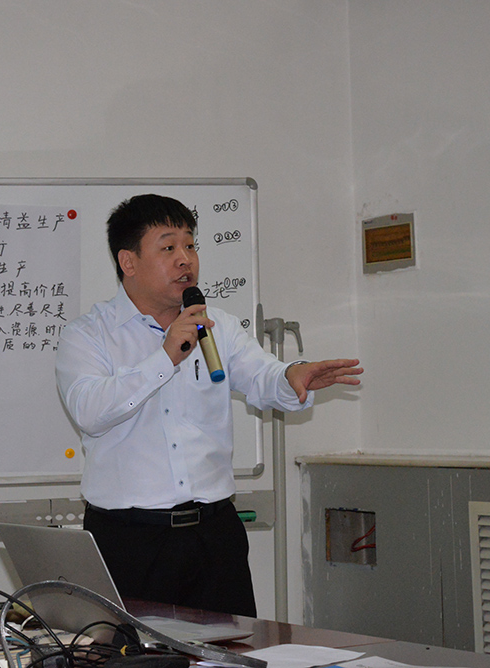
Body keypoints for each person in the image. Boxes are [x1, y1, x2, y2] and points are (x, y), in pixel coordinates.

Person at [54, 193, 362, 617]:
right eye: (168, 247)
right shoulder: (87, 335)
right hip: (128, 540)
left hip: (214, 537)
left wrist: (292, 375)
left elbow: (262, 376)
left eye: (190, 245)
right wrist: (165, 356)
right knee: (131, 652)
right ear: (128, 262)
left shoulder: (218, 326)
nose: (185, 259)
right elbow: (90, 412)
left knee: (233, 649)